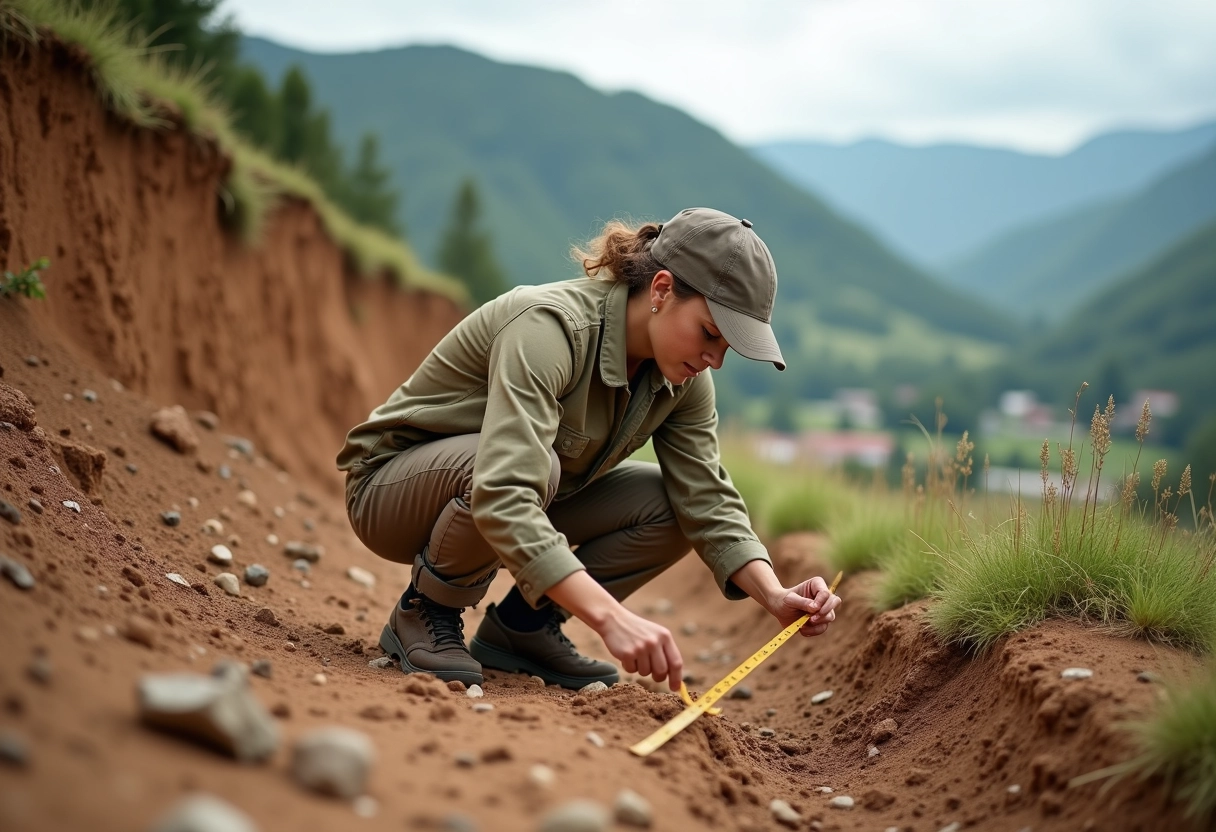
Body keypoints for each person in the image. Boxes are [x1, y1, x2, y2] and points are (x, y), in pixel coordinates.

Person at [337, 207, 842, 691]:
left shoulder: (685, 380)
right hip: (390, 491)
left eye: (729, 349)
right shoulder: (548, 329)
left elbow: (707, 498)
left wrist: (773, 594)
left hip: (523, 487)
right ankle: (425, 611)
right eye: (710, 333)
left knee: (670, 502)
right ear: (662, 290)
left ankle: (523, 629)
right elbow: (505, 488)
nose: (715, 359)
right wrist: (610, 618)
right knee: (532, 468)